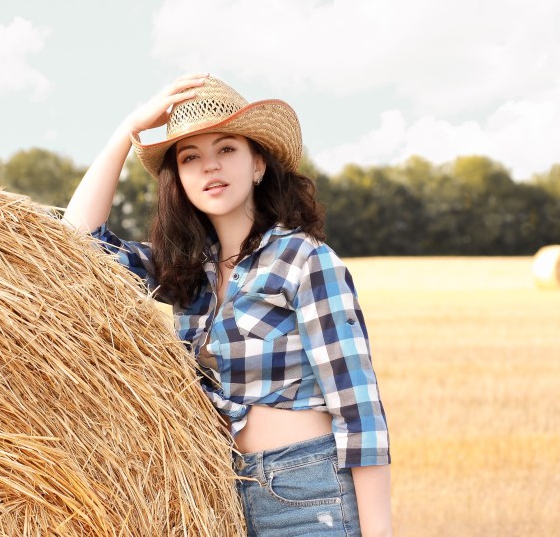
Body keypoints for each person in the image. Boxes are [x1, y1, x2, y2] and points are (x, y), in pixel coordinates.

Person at [64, 73, 392, 537]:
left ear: (258, 163)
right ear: (178, 177)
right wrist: (127, 131)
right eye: (190, 157)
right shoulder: (186, 270)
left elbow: (360, 411)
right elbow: (75, 245)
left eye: (227, 149)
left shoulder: (304, 260)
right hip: (216, 494)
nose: (210, 167)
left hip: (306, 491)